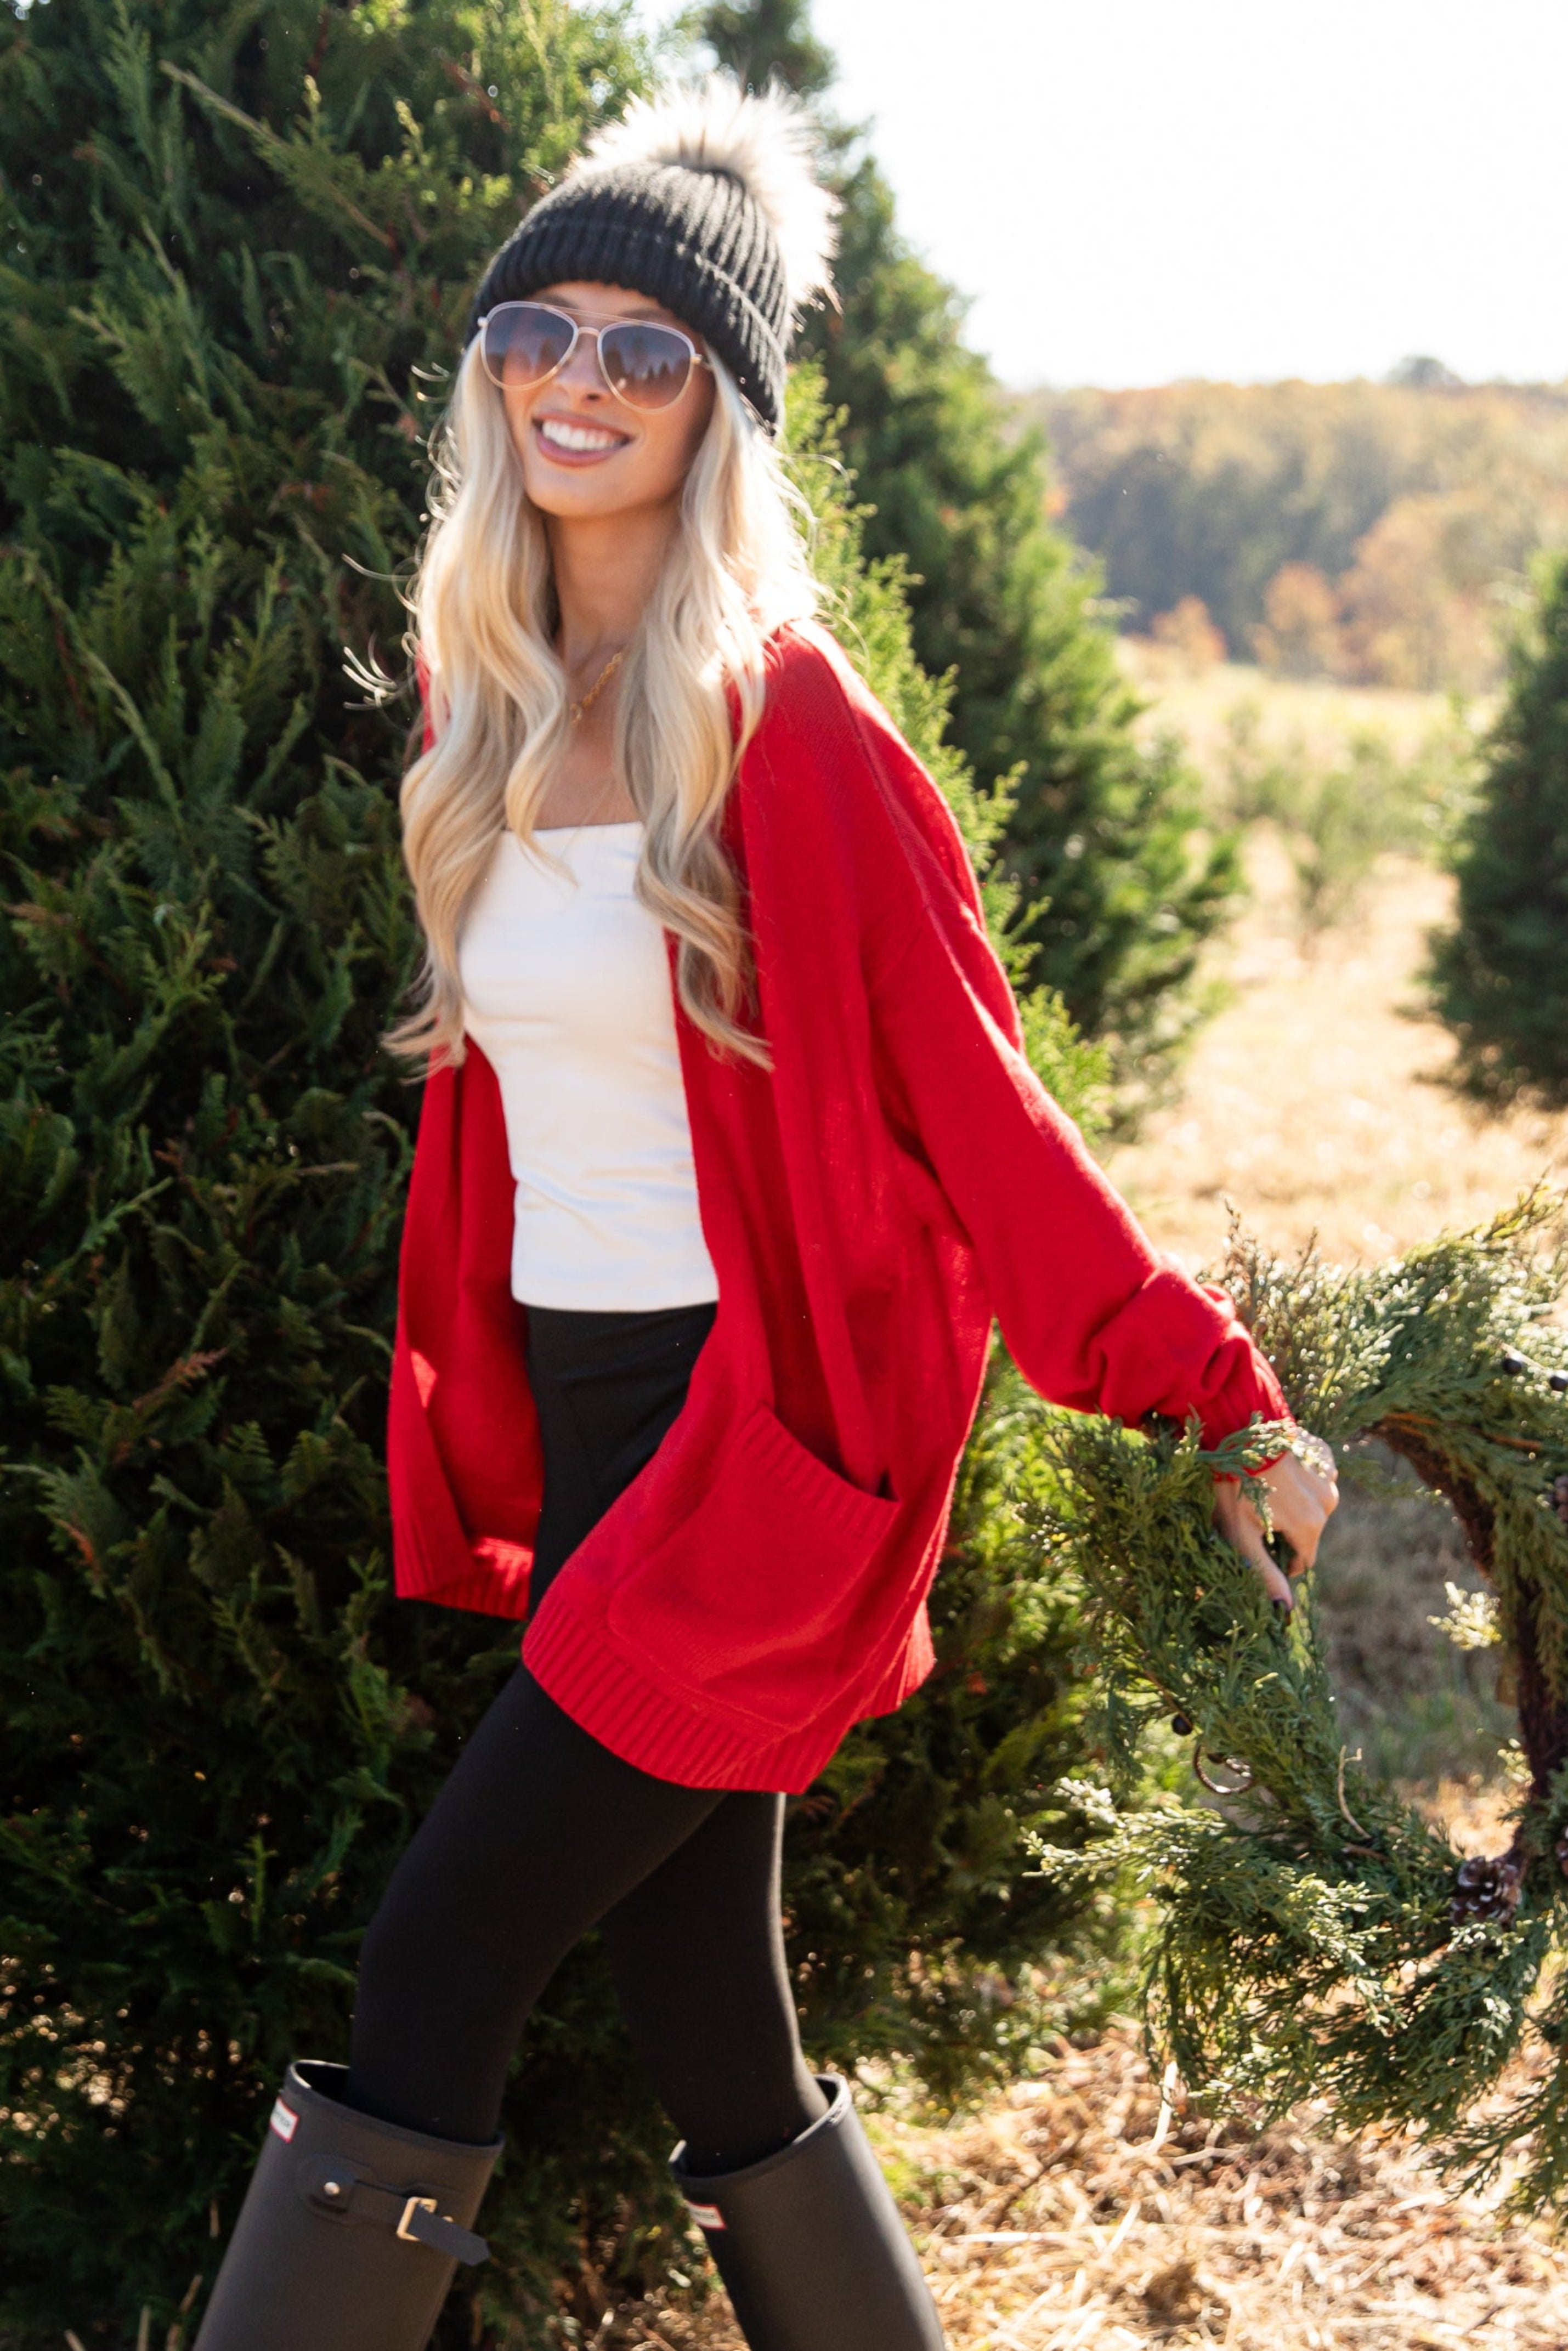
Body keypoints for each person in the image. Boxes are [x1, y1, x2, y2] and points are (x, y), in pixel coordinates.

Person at [191, 75, 1337, 2351]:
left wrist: (1218, 1397)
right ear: (486, 366)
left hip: (765, 1446)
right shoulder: (483, 705)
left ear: (717, 410)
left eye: (645, 347)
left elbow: (984, 1120)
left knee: (440, 1954)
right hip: (596, 1418)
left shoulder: (788, 728)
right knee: (713, 2002)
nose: (580, 381)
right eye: (542, 329)